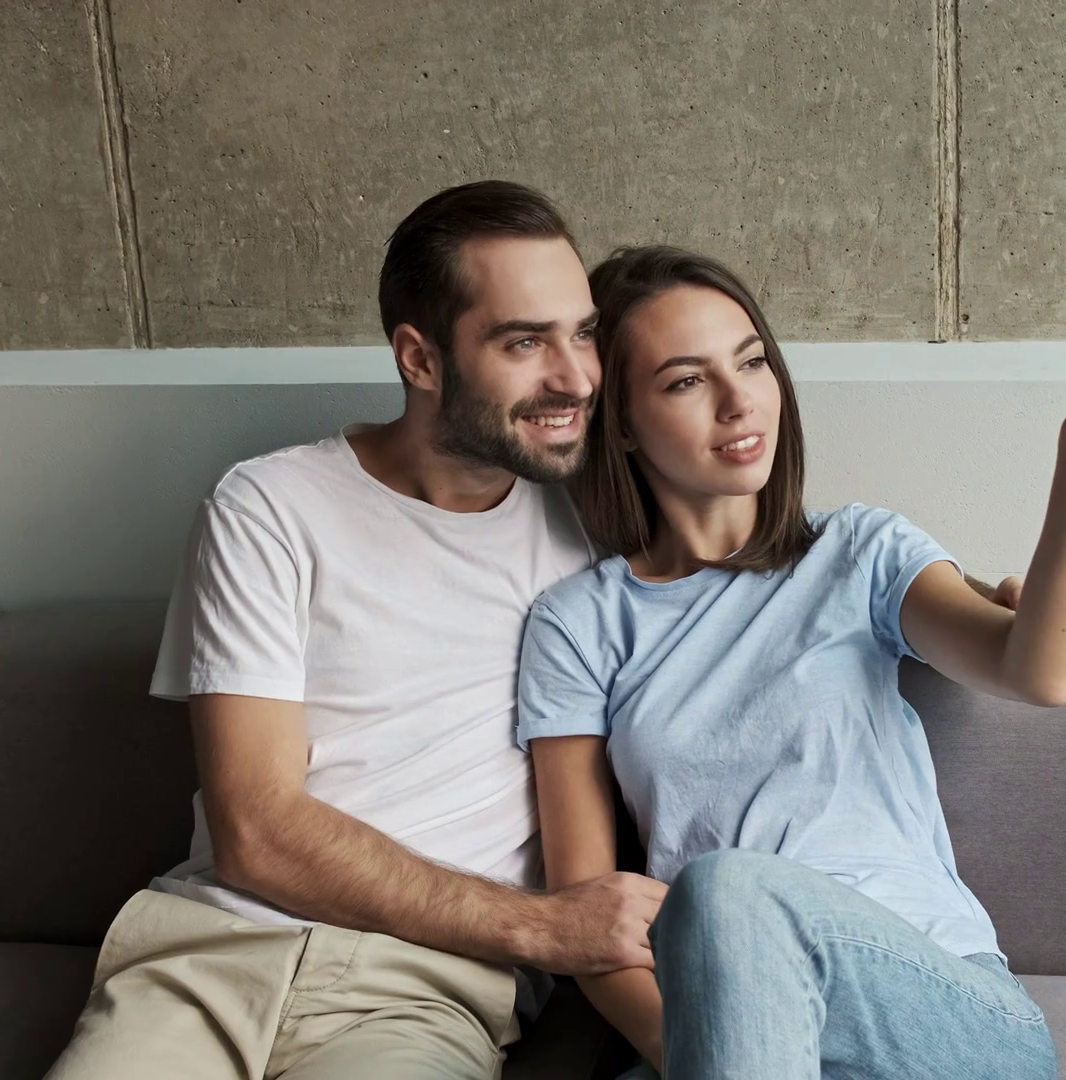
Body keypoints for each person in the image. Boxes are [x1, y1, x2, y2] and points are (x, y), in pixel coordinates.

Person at [520, 236, 1066, 1078]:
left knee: (727, 888)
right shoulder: (577, 627)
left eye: (752, 362)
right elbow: (588, 918)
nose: (740, 402)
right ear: (622, 424)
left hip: (941, 1016)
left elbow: (1041, 669)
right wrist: (700, 1049)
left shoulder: (859, 553)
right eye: (687, 381)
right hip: (734, 1031)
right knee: (722, 908)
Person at [44, 180, 669, 1080]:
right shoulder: (269, 507)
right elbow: (257, 829)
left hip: (422, 989)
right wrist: (542, 926)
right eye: (524, 342)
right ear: (420, 358)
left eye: (582, 334)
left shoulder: (600, 540)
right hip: (208, 963)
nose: (575, 378)